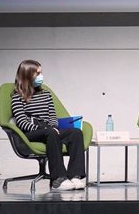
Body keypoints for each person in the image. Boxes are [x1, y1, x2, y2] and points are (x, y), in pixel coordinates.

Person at [10, 59, 86, 191]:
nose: (41, 76)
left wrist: (52, 127)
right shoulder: (17, 97)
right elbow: (22, 123)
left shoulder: (46, 94)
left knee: (75, 133)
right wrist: (45, 129)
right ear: (28, 75)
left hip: (49, 130)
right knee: (50, 133)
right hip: (31, 132)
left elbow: (52, 116)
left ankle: (75, 176)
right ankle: (58, 179)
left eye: (41, 72)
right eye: (37, 73)